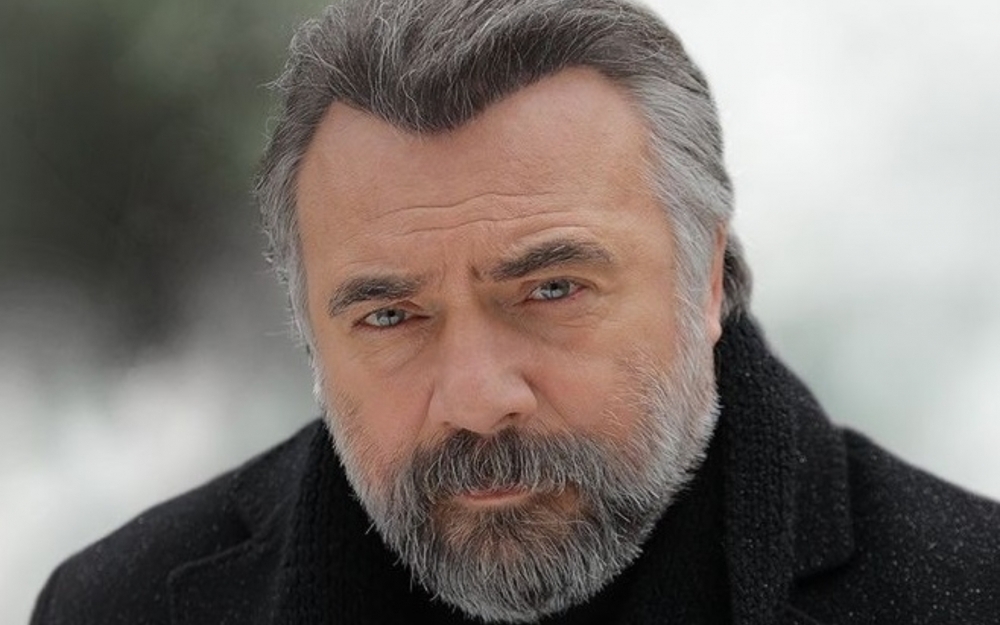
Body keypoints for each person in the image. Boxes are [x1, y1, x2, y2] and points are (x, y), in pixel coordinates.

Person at [31, 0, 1000, 623]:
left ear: (706, 280)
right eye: (390, 316)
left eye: (551, 290)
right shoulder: (119, 605)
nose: (476, 397)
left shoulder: (968, 590)